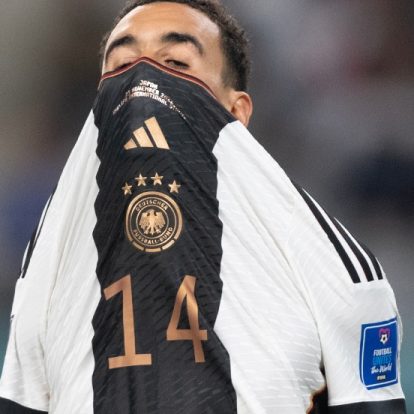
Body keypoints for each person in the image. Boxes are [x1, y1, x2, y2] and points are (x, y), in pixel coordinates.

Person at [0, 1, 407, 413]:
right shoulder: (50, 263)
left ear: (236, 111)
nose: (142, 82)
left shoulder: (330, 264)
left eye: (176, 63)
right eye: (122, 65)